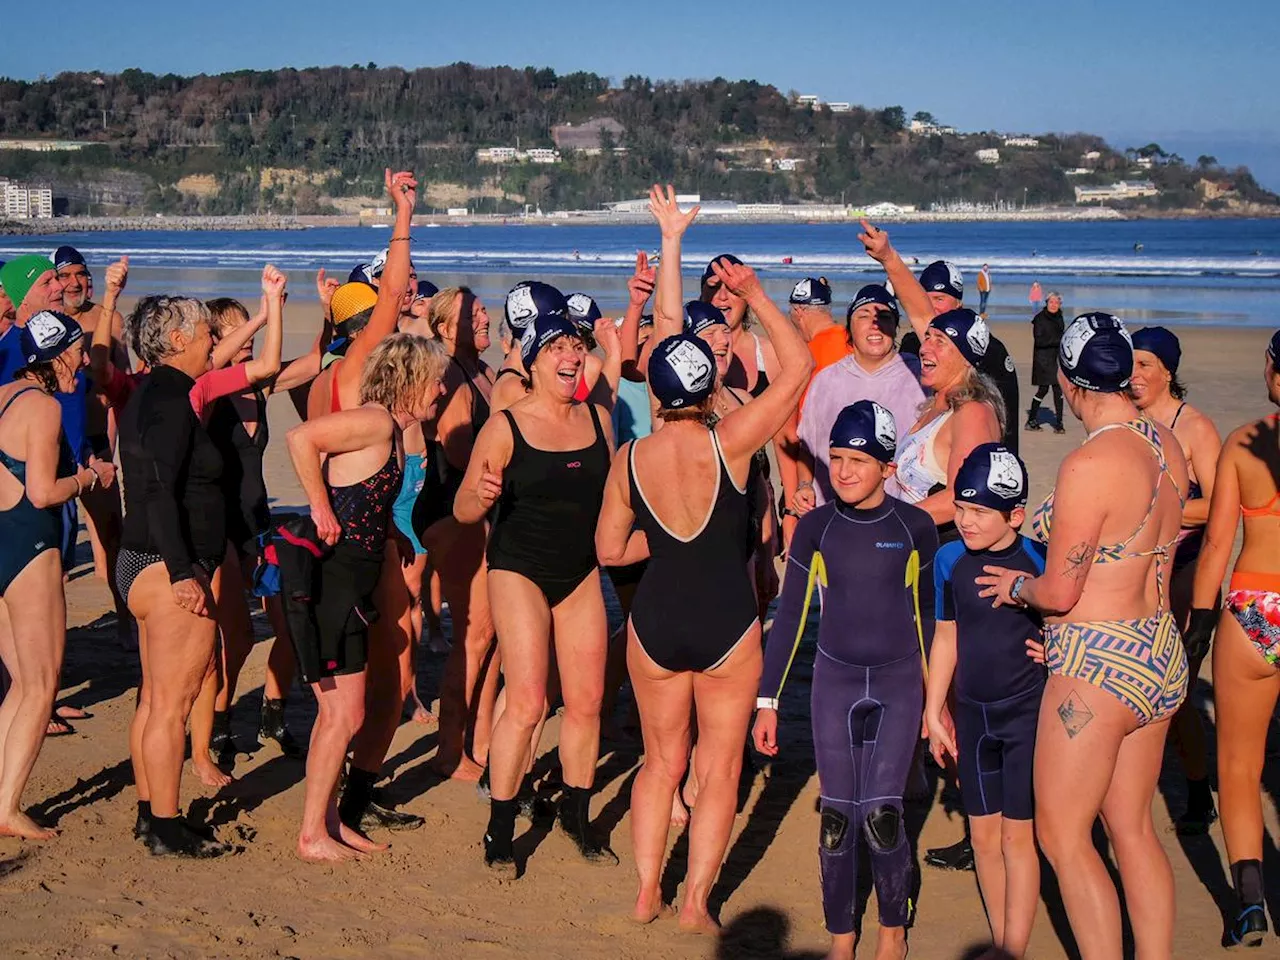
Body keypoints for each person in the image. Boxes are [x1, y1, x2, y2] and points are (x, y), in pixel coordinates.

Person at [595, 183, 813, 932]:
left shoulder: (632, 457)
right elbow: (796, 372)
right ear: (710, 382)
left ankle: (647, 890)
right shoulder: (732, 439)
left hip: (656, 619)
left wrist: (658, 543)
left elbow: (607, 548)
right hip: (726, 619)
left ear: (654, 388)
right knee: (719, 771)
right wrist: (754, 296)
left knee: (661, 765)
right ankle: (695, 904)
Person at [978, 313, 1190, 960]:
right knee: (1132, 828)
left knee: (1063, 837)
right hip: (1159, 652)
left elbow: (1060, 591)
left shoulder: (1089, 464)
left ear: (1069, 386)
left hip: (1098, 668)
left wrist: (1016, 591)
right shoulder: (1166, 444)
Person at [754, 400, 935, 960]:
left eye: (859, 459)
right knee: (836, 817)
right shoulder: (815, 528)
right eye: (835, 457)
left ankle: (892, 928)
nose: (844, 470)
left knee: (882, 814)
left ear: (887, 467)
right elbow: (790, 618)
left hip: (899, 682)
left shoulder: (916, 527)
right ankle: (842, 935)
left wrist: (937, 705)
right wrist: (768, 700)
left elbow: (929, 623)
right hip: (834, 682)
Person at [456, 305, 617, 874]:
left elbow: (613, 498)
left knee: (588, 701)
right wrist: (484, 494)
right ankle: (500, 828)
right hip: (518, 569)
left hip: (577, 573)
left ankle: (575, 813)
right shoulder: (507, 425)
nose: (571, 357)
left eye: (576, 347)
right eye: (556, 349)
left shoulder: (599, 420)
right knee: (526, 701)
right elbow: (463, 508)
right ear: (532, 361)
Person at [285, 333, 448, 862]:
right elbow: (300, 438)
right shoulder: (376, 420)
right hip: (332, 580)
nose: (442, 390)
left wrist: (393, 536)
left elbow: (370, 498)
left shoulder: (395, 432)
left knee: (342, 713)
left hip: (351, 581)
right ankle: (312, 833)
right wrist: (318, 506)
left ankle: (330, 821)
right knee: (343, 715)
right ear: (409, 380)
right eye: (435, 379)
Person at [309, 170, 428, 833]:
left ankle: (350, 797)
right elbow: (388, 297)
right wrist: (403, 216)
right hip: (361, 537)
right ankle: (343, 805)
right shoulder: (356, 369)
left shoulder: (342, 375)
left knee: (373, 682)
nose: (402, 303)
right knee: (384, 681)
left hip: (360, 530)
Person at [117, 295, 234, 858]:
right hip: (168, 570)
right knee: (171, 705)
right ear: (179, 340)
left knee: (153, 700)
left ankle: (150, 813)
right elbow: (160, 489)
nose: (213, 339)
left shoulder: (152, 394)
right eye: (208, 332)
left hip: (143, 563)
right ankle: (165, 825)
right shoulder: (166, 400)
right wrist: (185, 571)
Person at [927, 444, 1045, 958]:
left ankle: (1013, 948)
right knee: (982, 839)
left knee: (1019, 840)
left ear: (1015, 514)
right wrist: (935, 708)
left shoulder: (1041, 558)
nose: (966, 521)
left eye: (980, 512)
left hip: (1026, 715)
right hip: (973, 715)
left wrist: (1055, 649)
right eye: (961, 508)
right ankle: (1000, 941)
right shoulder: (949, 558)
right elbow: (947, 635)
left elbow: (1070, 621)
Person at [1183, 329, 1280, 948]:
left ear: (1273, 371)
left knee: (1240, 765)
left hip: (1255, 608)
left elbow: (1217, 544)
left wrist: (1198, 625)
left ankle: (1248, 905)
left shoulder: (1244, 443)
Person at [0, 311, 107, 839]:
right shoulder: (42, 408)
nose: (85, 360)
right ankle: (7, 807)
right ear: (56, 354)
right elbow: (44, 491)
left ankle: (0, 798)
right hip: (28, 544)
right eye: (79, 350)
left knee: (18, 686)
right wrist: (87, 477)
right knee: (41, 685)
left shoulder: (0, 395)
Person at [1130, 325, 1222, 835]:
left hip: (1184, 570)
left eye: (1146, 365)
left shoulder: (1195, 427)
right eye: (1131, 363)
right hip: (1133, 570)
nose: (1136, 374)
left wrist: (1166, 511)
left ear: (1169, 371)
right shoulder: (1125, 419)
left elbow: (1216, 505)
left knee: (1178, 686)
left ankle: (1194, 787)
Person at [413, 285, 500, 780]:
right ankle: (450, 751)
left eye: (485, 310)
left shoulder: (484, 372)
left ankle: (480, 740)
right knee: (474, 633)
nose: (485, 318)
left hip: (478, 510)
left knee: (493, 636)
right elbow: (461, 454)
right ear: (445, 330)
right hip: (452, 511)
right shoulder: (448, 374)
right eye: (474, 316)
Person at [857, 227, 1020, 453]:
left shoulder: (988, 349)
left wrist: (889, 258)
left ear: (958, 304)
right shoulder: (914, 343)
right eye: (927, 297)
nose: (933, 305)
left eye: (940, 298)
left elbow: (1007, 418)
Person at [54, 245, 133, 646]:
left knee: (111, 532)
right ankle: (55, 632)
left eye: (80, 274)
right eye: (64, 276)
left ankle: (124, 619)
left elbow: (123, 388)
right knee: (55, 549)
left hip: (98, 442)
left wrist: (116, 442)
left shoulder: (110, 319)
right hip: (54, 446)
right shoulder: (43, 323)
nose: (74, 283)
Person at [794, 284, 926, 515]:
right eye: (864, 315)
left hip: (900, 517)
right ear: (849, 328)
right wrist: (804, 486)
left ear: (896, 327)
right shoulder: (826, 380)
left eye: (885, 316)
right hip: (833, 515)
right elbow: (807, 448)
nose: (875, 324)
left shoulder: (920, 376)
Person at [886, 308, 1004, 534]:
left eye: (940, 341)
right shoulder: (935, 405)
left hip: (940, 552)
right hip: (910, 546)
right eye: (927, 338)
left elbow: (962, 497)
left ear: (966, 358)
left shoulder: (972, 413)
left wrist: (888, 525)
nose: (924, 348)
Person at [1027, 292, 1066, 433]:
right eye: (1051, 302)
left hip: (1055, 359)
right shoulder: (1039, 319)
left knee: (1058, 390)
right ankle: (1031, 420)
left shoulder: (1060, 317)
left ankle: (1059, 423)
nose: (1054, 305)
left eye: (1056, 302)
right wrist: (1058, 340)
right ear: (1046, 303)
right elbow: (1039, 341)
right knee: (1043, 390)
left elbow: (1062, 335)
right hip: (1042, 360)